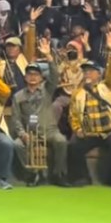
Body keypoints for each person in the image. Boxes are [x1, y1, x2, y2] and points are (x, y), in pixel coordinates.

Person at [68, 33, 111, 187]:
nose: (87, 73)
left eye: (90, 71)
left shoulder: (108, 86)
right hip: (90, 133)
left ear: (99, 74)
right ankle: (82, 178)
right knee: (74, 146)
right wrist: (77, 129)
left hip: (108, 131)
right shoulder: (78, 93)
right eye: (85, 71)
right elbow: (73, 115)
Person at [12, 56, 67, 187]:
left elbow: (54, 76)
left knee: (61, 140)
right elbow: (16, 118)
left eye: (36, 74)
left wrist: (50, 58)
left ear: (41, 77)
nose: (33, 77)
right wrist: (22, 134)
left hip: (49, 130)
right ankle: (32, 173)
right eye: (30, 74)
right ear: (25, 77)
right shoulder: (18, 96)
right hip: (30, 132)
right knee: (17, 144)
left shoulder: (47, 90)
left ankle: (58, 174)